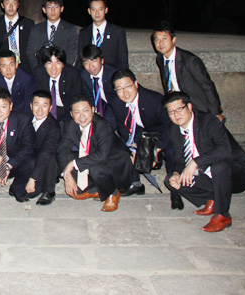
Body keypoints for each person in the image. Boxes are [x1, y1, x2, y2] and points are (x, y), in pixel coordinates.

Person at [162, 91, 245, 232]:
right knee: (171, 180)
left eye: (179, 109)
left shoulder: (208, 121)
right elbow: (180, 159)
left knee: (219, 165)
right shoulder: (174, 130)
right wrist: (176, 173)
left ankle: (223, 215)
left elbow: (225, 150)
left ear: (189, 107)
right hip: (209, 174)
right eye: (171, 112)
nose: (176, 114)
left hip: (237, 173)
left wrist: (195, 162)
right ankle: (213, 198)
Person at [58, 93, 134, 212]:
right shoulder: (70, 125)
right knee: (65, 158)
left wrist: (73, 164)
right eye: (77, 112)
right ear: (71, 114)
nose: (82, 116)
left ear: (93, 110)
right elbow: (62, 151)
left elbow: (102, 155)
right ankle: (95, 189)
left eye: (85, 111)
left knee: (96, 169)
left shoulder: (102, 125)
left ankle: (112, 192)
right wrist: (67, 176)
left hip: (114, 163)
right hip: (92, 159)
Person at [110, 68, 176, 203]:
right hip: (141, 135)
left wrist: (157, 149)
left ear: (136, 84)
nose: (125, 93)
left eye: (128, 86)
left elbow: (170, 126)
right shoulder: (116, 103)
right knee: (120, 146)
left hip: (161, 133)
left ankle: (175, 191)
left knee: (172, 151)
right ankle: (135, 184)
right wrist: (133, 146)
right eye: (119, 89)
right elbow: (122, 127)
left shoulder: (154, 99)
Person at [153, 21, 223, 120]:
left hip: (197, 107)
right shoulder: (160, 58)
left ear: (173, 40)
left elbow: (207, 86)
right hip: (177, 107)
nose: (161, 43)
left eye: (164, 38)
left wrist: (216, 112)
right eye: (157, 39)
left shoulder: (190, 60)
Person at [24, 91, 61, 205]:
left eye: (44, 106)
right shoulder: (25, 118)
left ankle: (49, 191)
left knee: (51, 156)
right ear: (31, 106)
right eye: (37, 105)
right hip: (30, 159)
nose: (40, 110)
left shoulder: (54, 127)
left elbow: (45, 154)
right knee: (20, 193)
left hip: (47, 161)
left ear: (50, 108)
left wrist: (32, 179)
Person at [25, 0, 78, 70]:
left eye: (56, 7)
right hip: (41, 71)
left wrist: (59, 70)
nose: (53, 10)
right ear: (44, 10)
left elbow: (71, 53)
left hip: (62, 71)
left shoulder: (70, 29)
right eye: (49, 7)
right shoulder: (36, 29)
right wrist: (38, 70)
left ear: (62, 9)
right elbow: (30, 53)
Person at [0, 0, 34, 74]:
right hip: (4, 67)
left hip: (25, 67)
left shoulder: (28, 24)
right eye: (7, 2)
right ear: (2, 5)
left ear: (18, 5)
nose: (11, 6)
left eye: (14, 2)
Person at [76, 0, 129, 70]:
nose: (97, 13)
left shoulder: (118, 32)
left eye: (100, 9)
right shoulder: (83, 33)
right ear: (89, 11)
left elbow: (123, 61)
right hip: (89, 74)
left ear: (106, 10)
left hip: (111, 75)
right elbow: (80, 59)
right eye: (94, 9)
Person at [33, 46, 81, 121]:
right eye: (49, 63)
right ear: (44, 65)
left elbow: (76, 100)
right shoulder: (39, 73)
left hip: (68, 109)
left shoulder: (72, 74)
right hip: (48, 110)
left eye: (58, 63)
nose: (53, 68)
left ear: (63, 65)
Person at [79, 44, 118, 130]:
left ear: (102, 61)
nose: (91, 66)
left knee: (106, 126)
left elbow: (117, 99)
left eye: (94, 61)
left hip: (112, 105)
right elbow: (87, 95)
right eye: (86, 63)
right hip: (96, 106)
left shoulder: (113, 74)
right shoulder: (83, 75)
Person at [0, 49, 36, 114]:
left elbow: (28, 103)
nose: (8, 70)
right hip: (0, 113)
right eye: (4, 66)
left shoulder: (27, 79)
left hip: (21, 113)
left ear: (16, 65)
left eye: (11, 65)